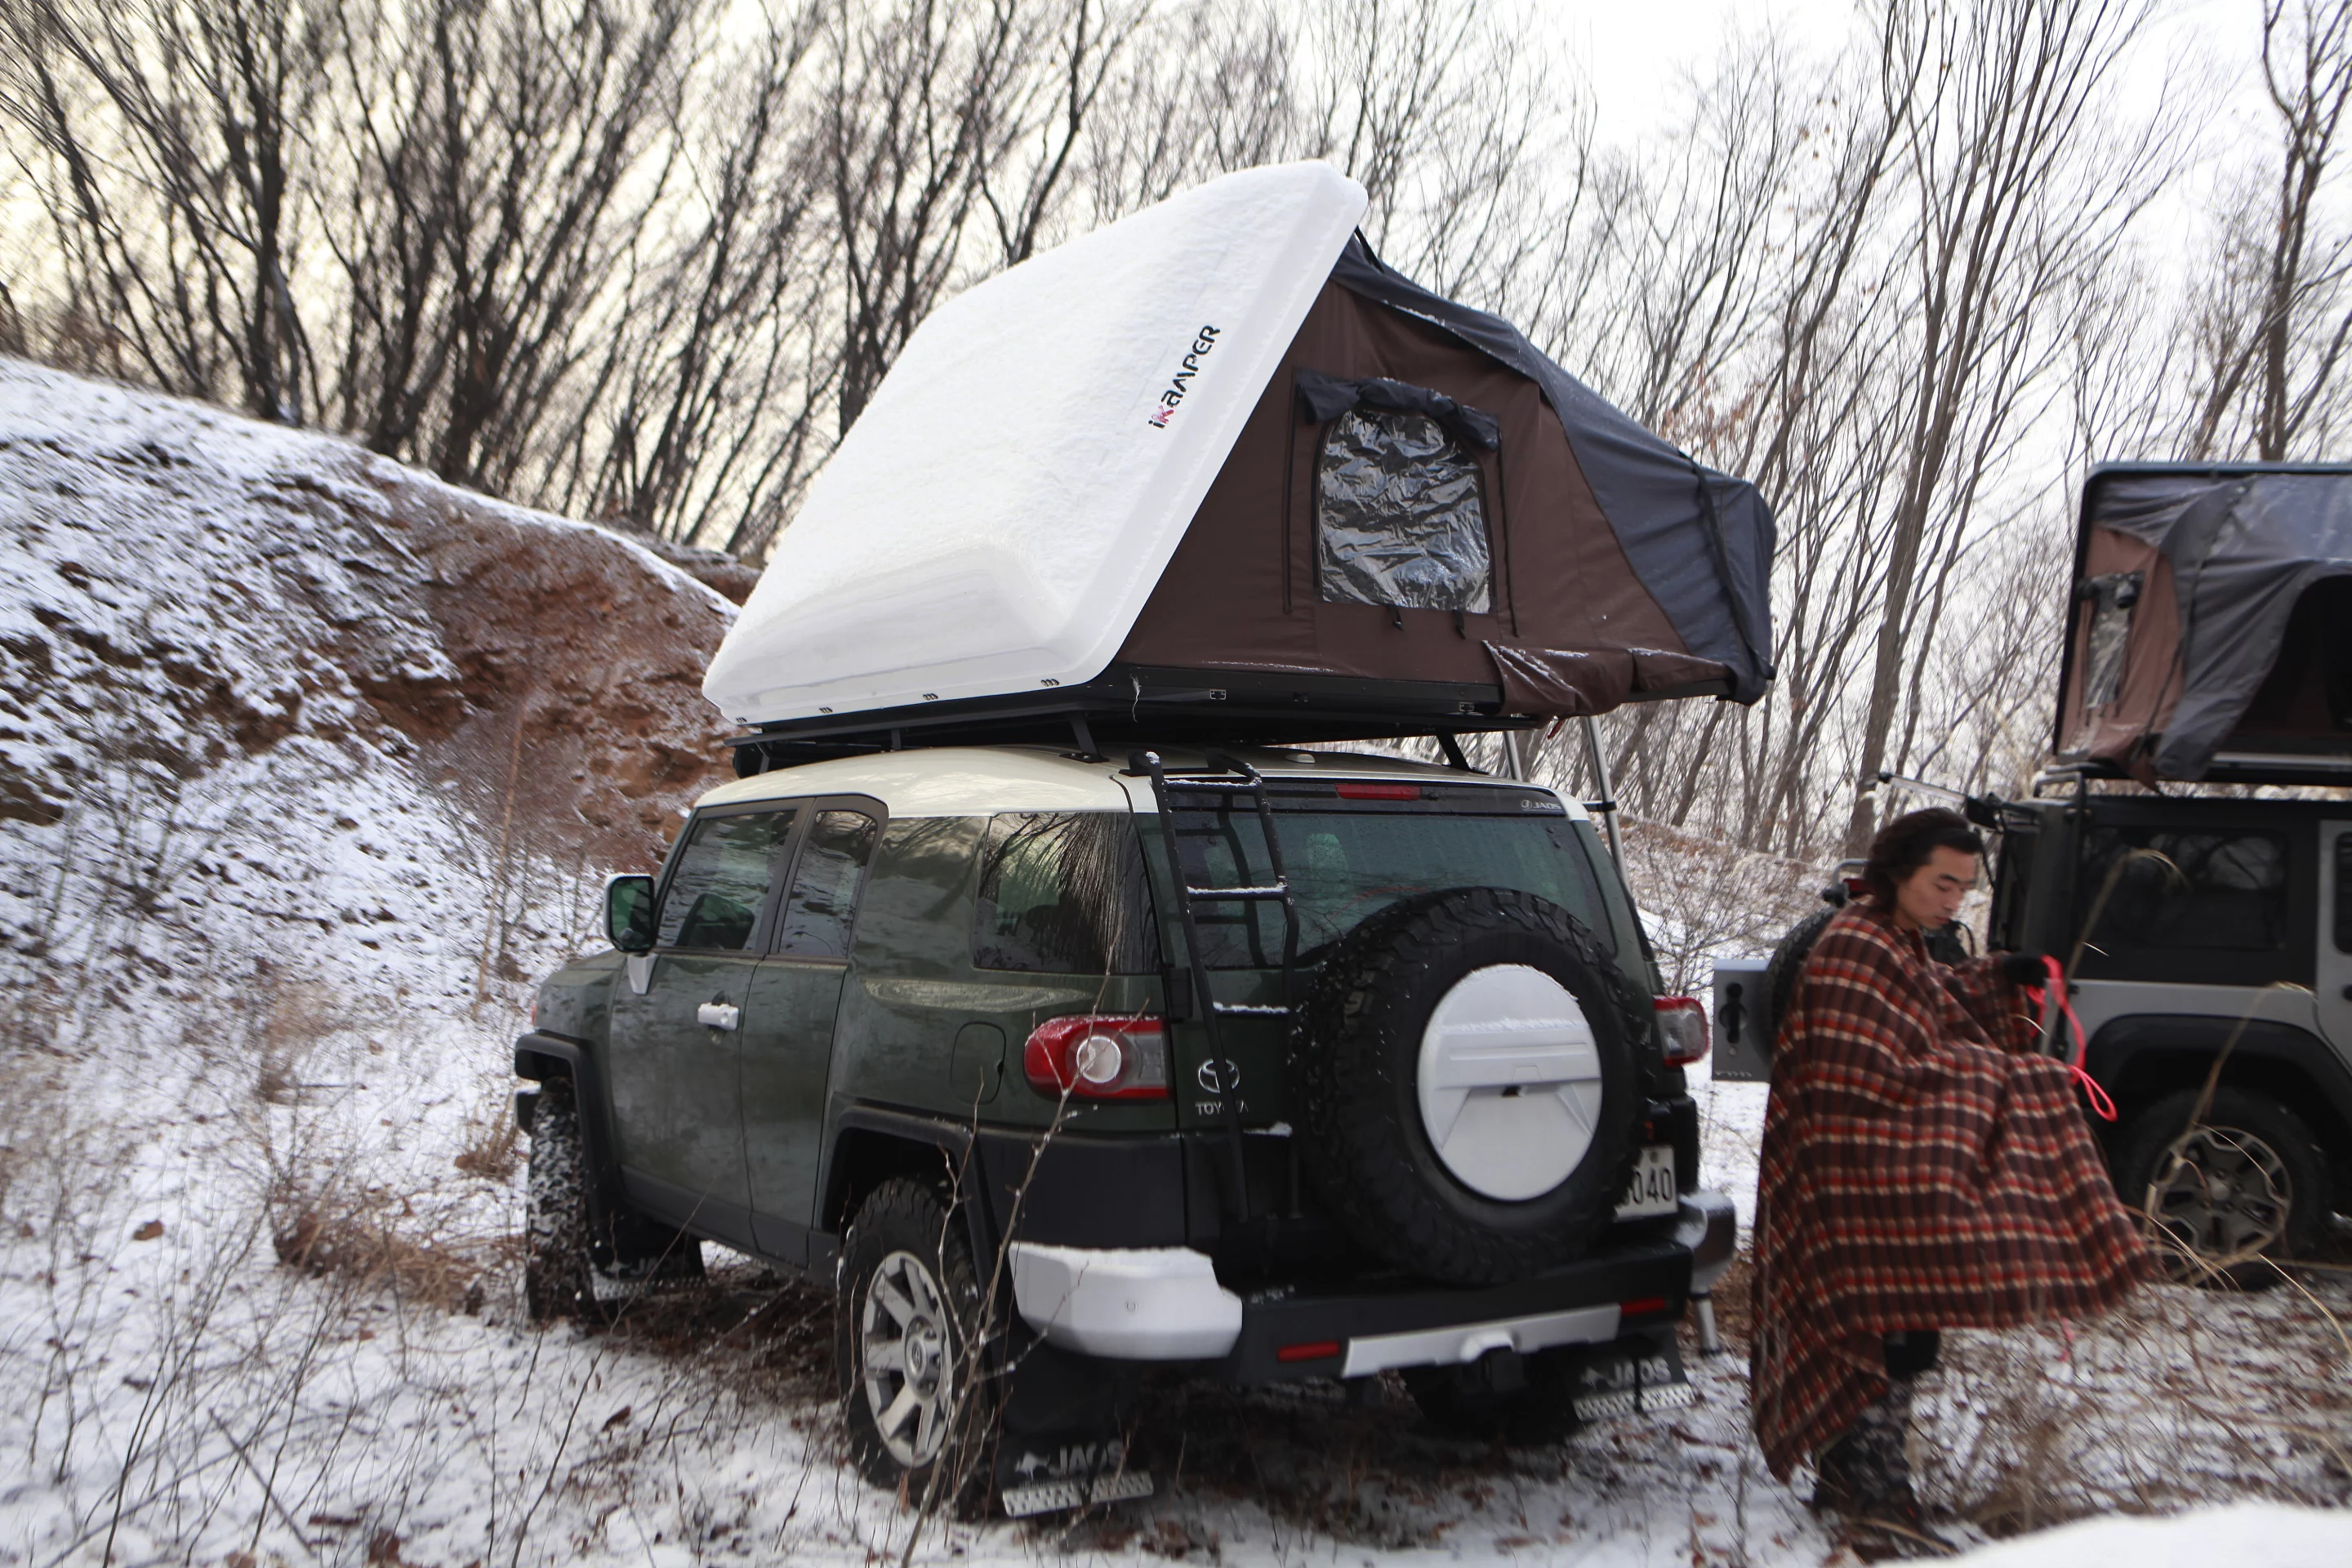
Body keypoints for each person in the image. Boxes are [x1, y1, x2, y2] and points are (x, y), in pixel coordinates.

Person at [1749, 808, 2151, 1552]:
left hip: (1884, 1183)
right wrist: (2016, 1078)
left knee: (1906, 1326)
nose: (1953, 900)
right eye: (1942, 883)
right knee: (1883, 1329)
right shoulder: (1850, 950)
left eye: (1964, 888)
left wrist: (2001, 976)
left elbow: (1934, 1002)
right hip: (1847, 1187)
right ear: (1898, 872)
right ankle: (1869, 1497)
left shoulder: (1896, 941)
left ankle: (1859, 1481)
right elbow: (1879, 1074)